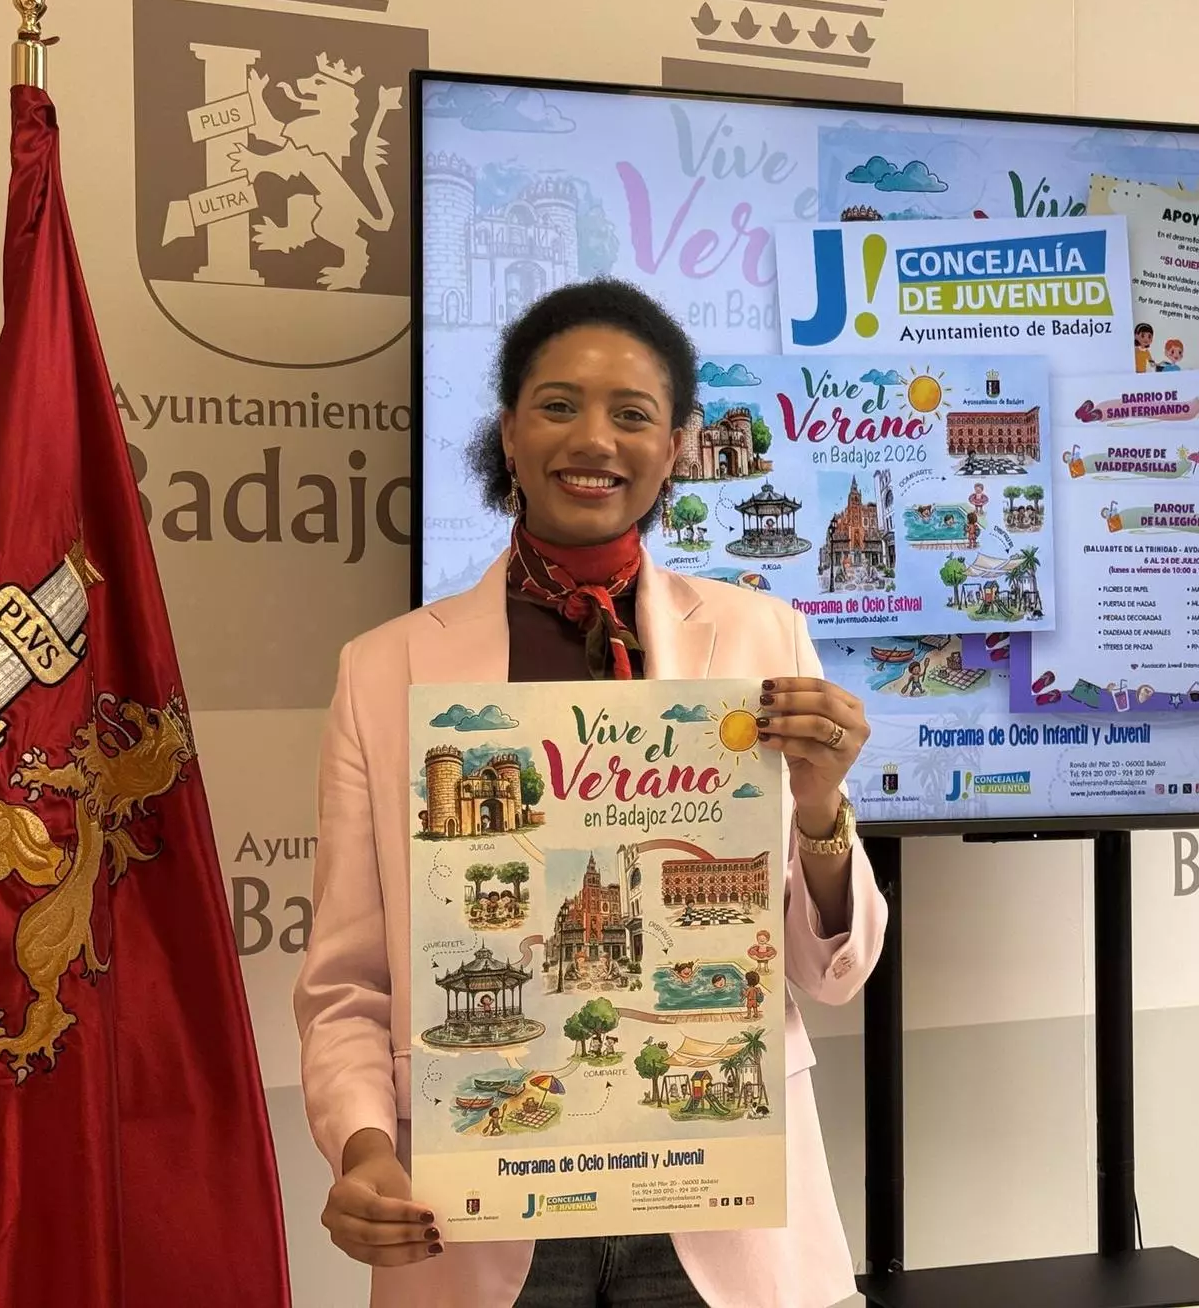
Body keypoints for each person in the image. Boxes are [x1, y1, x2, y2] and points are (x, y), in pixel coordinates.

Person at [294, 280, 888, 1308]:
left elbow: (826, 976)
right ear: (508, 433)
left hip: (719, 1210)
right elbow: (347, 983)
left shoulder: (761, 636)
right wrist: (361, 1146)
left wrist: (821, 805)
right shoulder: (384, 670)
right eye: (559, 405)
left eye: (632, 414)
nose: (594, 440)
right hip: (479, 1214)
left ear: (678, 446)